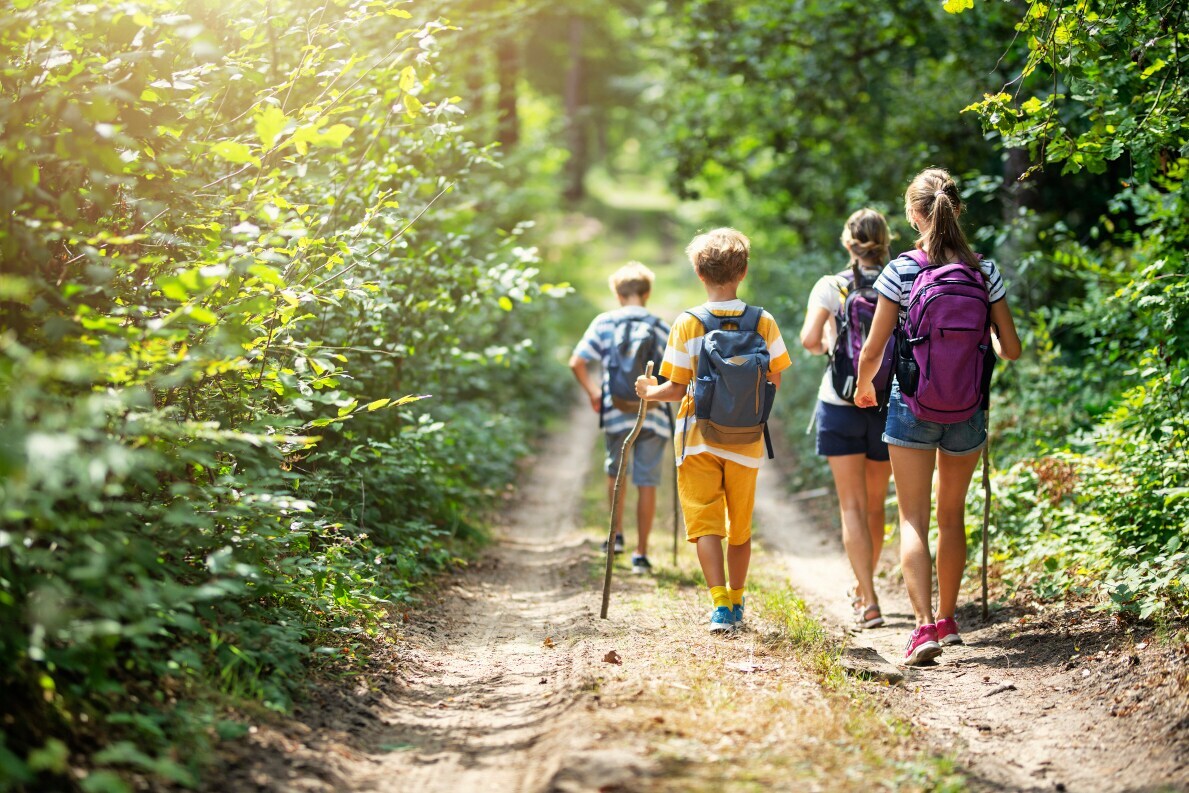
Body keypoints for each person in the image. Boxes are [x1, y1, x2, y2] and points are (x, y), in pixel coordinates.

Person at [855, 168, 1021, 665]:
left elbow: (873, 348)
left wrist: (865, 387)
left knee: (912, 518)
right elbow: (1011, 348)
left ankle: (922, 627)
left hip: (912, 405)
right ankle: (949, 621)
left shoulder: (902, 269)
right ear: (956, 207)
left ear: (912, 214)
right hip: (968, 408)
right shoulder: (983, 270)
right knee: (952, 516)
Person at [635, 228, 792, 631]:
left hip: (698, 439)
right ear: (743, 272)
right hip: (747, 440)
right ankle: (739, 602)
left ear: (699, 274)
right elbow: (775, 379)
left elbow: (674, 388)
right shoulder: (764, 321)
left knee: (706, 523)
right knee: (740, 527)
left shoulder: (688, 323)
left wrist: (648, 392)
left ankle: (720, 605)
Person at [799, 209, 894, 631]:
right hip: (887, 402)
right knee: (875, 505)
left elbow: (809, 340)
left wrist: (831, 349)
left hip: (839, 402)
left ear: (848, 243)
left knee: (851, 506)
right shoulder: (901, 280)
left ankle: (868, 599)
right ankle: (864, 587)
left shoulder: (831, 286)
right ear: (885, 240)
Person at [570, 262, 672, 574]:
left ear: (617, 293)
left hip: (615, 412)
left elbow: (577, 362)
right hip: (652, 414)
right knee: (648, 480)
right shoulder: (660, 325)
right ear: (647, 293)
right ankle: (641, 553)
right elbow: (677, 371)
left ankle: (615, 537)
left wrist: (593, 392)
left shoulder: (604, 323)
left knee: (616, 473)